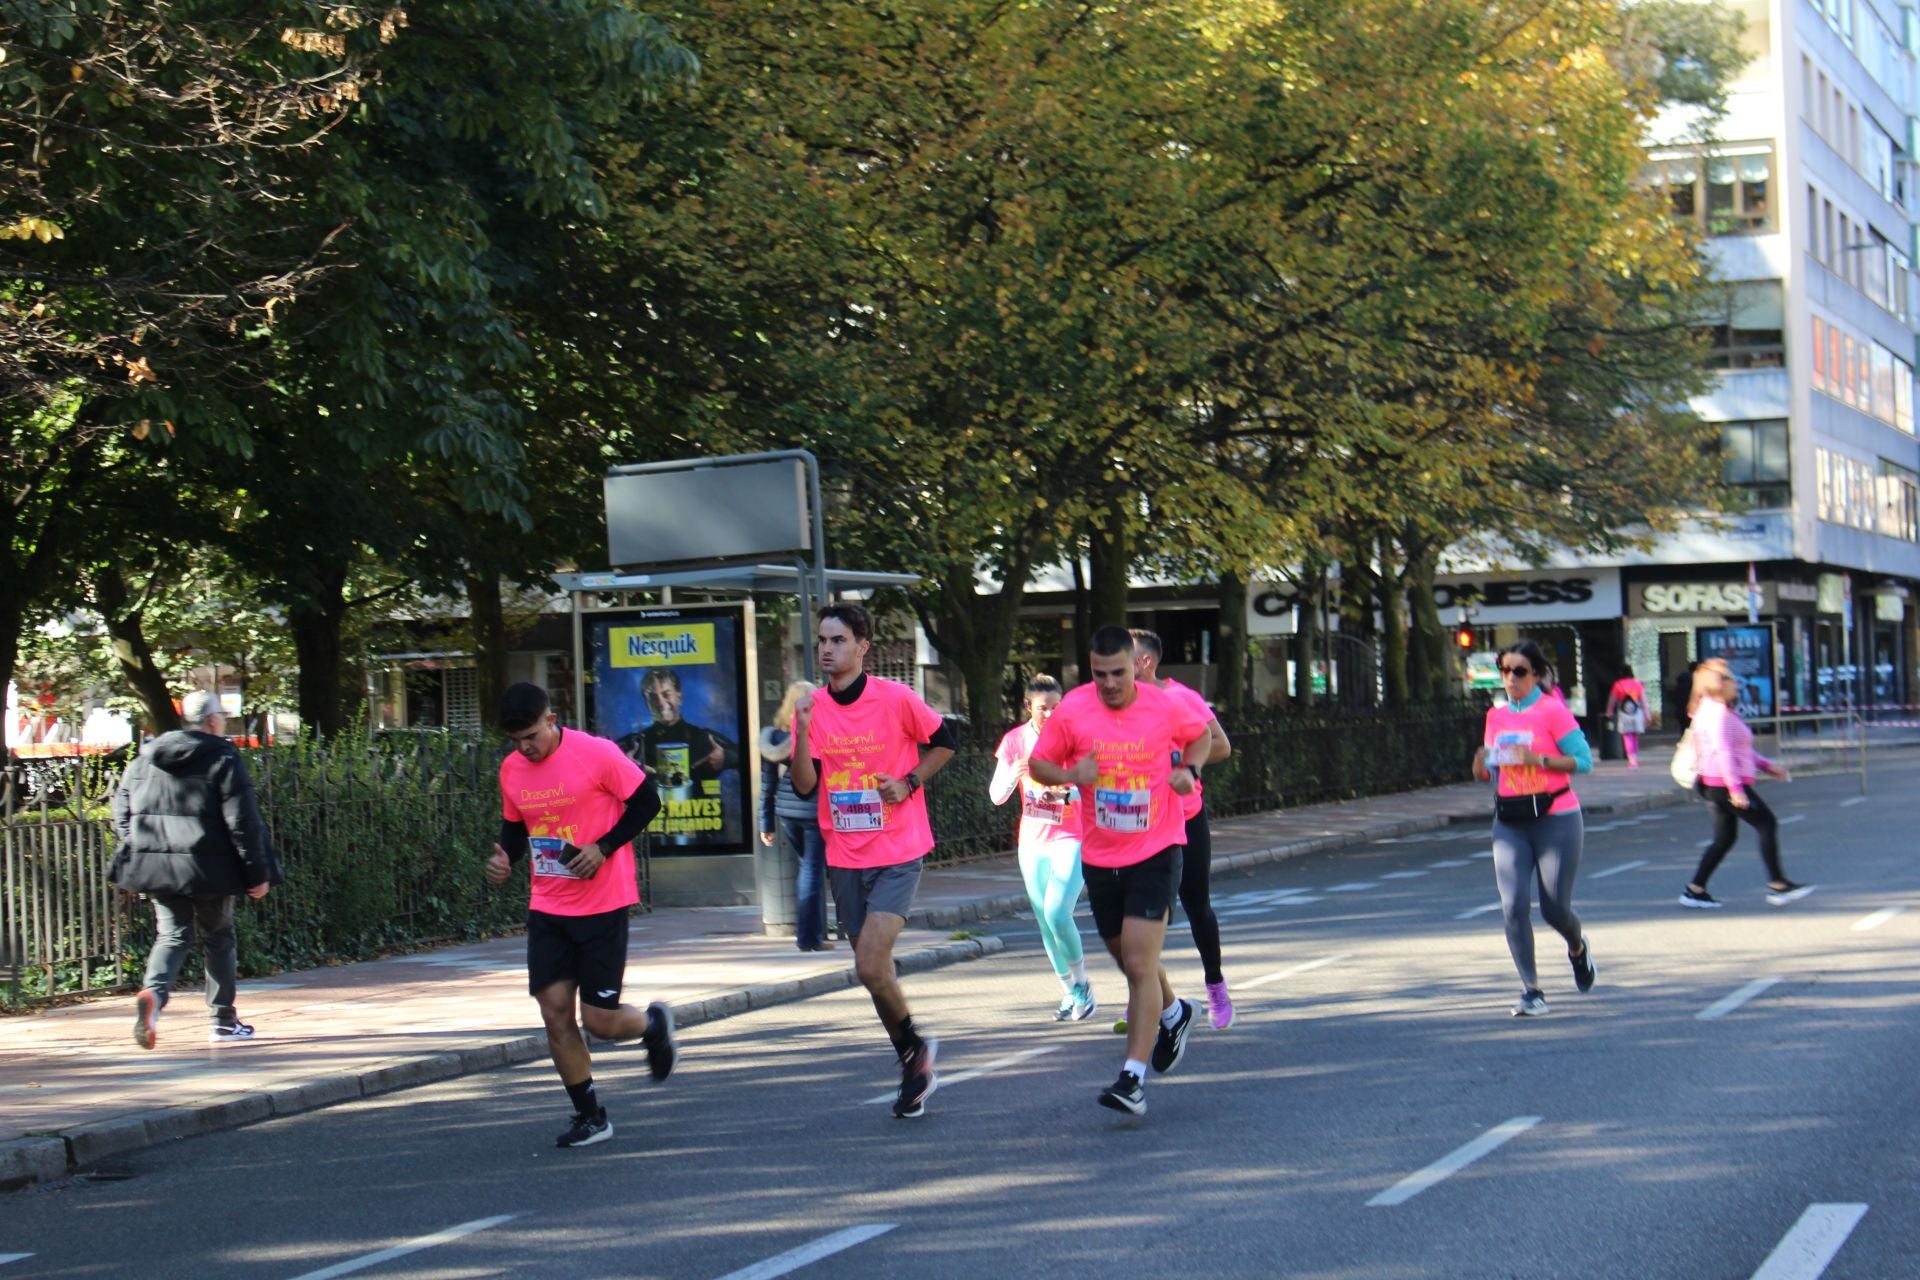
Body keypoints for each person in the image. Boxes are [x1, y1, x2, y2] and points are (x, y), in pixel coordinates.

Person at [485, 682, 677, 1148]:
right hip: (548, 905)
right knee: (554, 1016)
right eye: (516, 741)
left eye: (531, 736)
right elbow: (516, 828)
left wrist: (603, 847)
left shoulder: (596, 753)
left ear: (551, 719)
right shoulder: (512, 770)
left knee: (600, 1022)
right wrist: (505, 860)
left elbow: (647, 802)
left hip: (602, 904)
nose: (525, 748)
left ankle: (653, 1024)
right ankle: (590, 1115)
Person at [1030, 626, 1210, 1116]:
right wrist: (1070, 775)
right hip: (1101, 855)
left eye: (1118, 673)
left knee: (1136, 964)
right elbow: (1039, 763)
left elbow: (1203, 739)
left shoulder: (1165, 705)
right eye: (1099, 674)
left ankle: (1133, 1078)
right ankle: (1175, 1012)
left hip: (1157, 848)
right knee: (1129, 957)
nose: (1109, 683)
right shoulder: (1073, 710)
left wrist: (1188, 772)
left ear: (1137, 666)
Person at [791, 604, 957, 1119]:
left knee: (869, 961)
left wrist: (907, 782)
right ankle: (912, 1053)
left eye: (838, 640)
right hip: (844, 854)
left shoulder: (897, 698)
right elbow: (804, 785)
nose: (826, 649)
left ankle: (913, 1052)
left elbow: (945, 742)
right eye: (821, 639)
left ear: (863, 646)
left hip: (898, 850)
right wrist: (799, 731)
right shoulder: (813, 706)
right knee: (872, 970)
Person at [110, 689, 282, 1048]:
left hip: (155, 866)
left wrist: (144, 845)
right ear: (212, 720)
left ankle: (154, 997)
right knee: (218, 937)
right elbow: (243, 822)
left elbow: (121, 811)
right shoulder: (222, 758)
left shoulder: (145, 759)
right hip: (209, 868)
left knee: (172, 935)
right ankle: (223, 1020)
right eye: (222, 715)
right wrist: (258, 873)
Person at [1471, 639, 1597, 1018]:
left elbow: (1584, 761)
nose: (1511, 679)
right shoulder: (1495, 717)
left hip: (1556, 816)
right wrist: (1480, 765)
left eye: (1520, 672)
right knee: (1512, 905)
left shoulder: (1552, 711)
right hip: (1510, 820)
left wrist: (1537, 758)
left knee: (1555, 909)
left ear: (1537, 675)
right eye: (1505, 671)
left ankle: (1577, 947)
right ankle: (1531, 990)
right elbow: (1490, 771)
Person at [1130, 629, 1236, 1030]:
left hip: (1186, 817)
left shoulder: (1182, 698)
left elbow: (1221, 745)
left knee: (1196, 905)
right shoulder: (1117, 706)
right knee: (1141, 915)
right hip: (1141, 822)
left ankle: (1215, 984)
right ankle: (1146, 997)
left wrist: (1181, 762)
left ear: (1145, 662)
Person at [990, 675, 1094, 1021]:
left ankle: (1082, 986)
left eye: (1056, 707)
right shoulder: (1015, 740)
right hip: (1033, 842)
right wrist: (1014, 773)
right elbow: (996, 796)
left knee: (1057, 913)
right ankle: (1069, 992)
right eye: (1042, 708)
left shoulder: (1077, 736)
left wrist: (1065, 790)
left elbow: (1094, 782)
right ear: (1027, 707)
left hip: (1071, 837)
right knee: (1044, 922)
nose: (1050, 714)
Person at [1678, 658, 1810, 909]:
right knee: (1767, 824)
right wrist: (1736, 789)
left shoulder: (1714, 709)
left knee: (1724, 839)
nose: (1734, 683)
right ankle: (1778, 884)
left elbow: (1740, 750)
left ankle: (1695, 889)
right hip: (1723, 783)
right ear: (1715, 684)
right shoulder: (1716, 713)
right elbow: (1723, 751)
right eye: (1727, 678)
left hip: (1715, 783)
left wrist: (1768, 767)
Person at [759, 679, 832, 952]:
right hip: (814, 810)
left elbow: (768, 785)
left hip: (786, 813)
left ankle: (814, 933)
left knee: (807, 869)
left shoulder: (773, 739)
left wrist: (765, 823)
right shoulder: (816, 734)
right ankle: (808, 938)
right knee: (812, 871)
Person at [618, 667, 740, 785]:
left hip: (701, 805)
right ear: (647, 703)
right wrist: (621, 764)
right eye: (653, 697)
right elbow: (599, 759)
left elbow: (753, 758)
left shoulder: (704, 738)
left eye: (666, 694)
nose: (660, 703)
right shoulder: (636, 744)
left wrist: (727, 758)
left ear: (679, 697)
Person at [1606, 663, 1650, 768]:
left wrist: (1609, 711)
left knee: (1627, 736)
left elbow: (1612, 700)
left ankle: (1632, 759)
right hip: (1637, 713)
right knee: (1635, 736)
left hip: (1624, 713)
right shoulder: (1638, 684)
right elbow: (1644, 701)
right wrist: (1647, 714)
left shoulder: (1618, 685)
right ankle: (1635, 757)